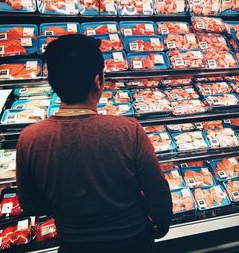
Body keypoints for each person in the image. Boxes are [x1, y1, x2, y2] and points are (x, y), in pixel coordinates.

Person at [16, 34, 172, 253]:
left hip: (74, 244)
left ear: (52, 82)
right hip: (134, 241)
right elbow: (157, 193)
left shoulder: (29, 139)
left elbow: (31, 204)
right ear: (99, 81)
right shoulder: (128, 130)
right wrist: (162, 223)